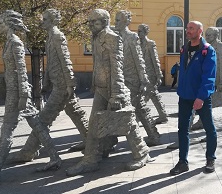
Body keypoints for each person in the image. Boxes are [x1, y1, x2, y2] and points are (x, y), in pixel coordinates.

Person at [0, 10, 60, 186]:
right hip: (16, 92)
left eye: (1, 23)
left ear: (10, 24)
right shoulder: (9, 42)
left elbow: (22, 72)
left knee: (7, 130)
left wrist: (23, 95)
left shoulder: (15, 43)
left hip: (17, 94)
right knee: (36, 124)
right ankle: (55, 156)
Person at [66, 9, 152, 176]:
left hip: (114, 90)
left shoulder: (113, 38)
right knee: (94, 124)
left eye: (94, 22)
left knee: (128, 123)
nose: (90, 25)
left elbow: (117, 68)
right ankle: (91, 159)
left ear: (104, 22)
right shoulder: (96, 37)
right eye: (89, 22)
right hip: (100, 88)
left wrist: (116, 95)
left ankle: (142, 153)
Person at [8, 9, 89, 163]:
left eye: (45, 19)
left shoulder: (58, 36)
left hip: (62, 86)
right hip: (58, 84)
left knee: (43, 118)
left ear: (52, 20)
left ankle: (28, 151)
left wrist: (70, 84)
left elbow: (66, 61)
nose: (42, 22)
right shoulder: (50, 37)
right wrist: (46, 82)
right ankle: (95, 143)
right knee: (76, 114)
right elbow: (51, 62)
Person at [170, 21, 217, 175]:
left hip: (200, 98)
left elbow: (209, 77)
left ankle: (210, 158)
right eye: (187, 28)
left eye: (191, 28)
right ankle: (182, 162)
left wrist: (201, 97)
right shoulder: (184, 49)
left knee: (209, 128)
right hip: (184, 97)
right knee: (182, 129)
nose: (187, 31)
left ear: (200, 31)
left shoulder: (207, 51)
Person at [114, 11, 160, 146]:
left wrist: (143, 80)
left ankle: (149, 138)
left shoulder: (131, 37)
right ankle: (153, 135)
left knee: (134, 110)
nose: (115, 23)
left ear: (126, 22)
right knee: (140, 109)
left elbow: (139, 60)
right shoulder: (116, 37)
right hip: (122, 80)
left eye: (118, 20)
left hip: (133, 81)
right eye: (115, 20)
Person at [191, 27, 222, 130]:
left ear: (216, 36)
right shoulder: (204, 46)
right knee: (205, 99)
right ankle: (202, 121)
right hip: (208, 78)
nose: (207, 37)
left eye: (210, 35)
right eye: (207, 35)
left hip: (218, 78)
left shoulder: (221, 47)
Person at [138, 24, 168, 124]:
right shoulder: (138, 44)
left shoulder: (150, 44)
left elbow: (155, 60)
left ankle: (138, 118)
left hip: (151, 75)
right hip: (143, 75)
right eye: (138, 31)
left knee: (143, 97)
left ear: (146, 32)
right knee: (153, 95)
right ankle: (163, 115)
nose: (138, 33)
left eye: (140, 31)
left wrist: (159, 75)